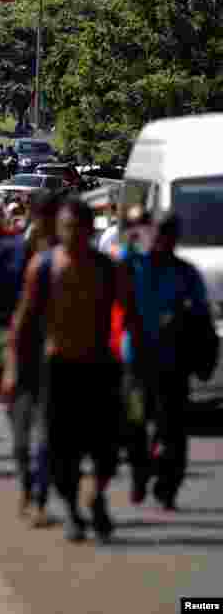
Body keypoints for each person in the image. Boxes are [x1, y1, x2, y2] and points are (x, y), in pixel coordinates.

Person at [3, 197, 140, 543]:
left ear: (90, 231)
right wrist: (11, 369)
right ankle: (73, 513)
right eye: (68, 228)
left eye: (81, 228)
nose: (74, 235)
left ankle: (95, 497)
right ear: (60, 230)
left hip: (100, 367)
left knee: (106, 446)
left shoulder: (108, 268)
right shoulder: (44, 266)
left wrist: (137, 363)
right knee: (61, 449)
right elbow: (22, 320)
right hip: (58, 368)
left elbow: (131, 315)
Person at [117, 211, 210, 511]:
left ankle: (166, 488)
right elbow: (115, 272)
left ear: (174, 238)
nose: (159, 240)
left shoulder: (186, 273)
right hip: (135, 363)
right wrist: (129, 244)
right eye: (154, 234)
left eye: (166, 234)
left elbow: (201, 317)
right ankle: (140, 473)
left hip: (173, 365)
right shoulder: (131, 265)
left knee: (173, 432)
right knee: (133, 425)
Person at [0, 191, 61, 527]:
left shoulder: (70, 259)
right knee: (21, 438)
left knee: (48, 435)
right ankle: (27, 486)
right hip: (18, 353)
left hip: (59, 355)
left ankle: (40, 498)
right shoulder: (10, 254)